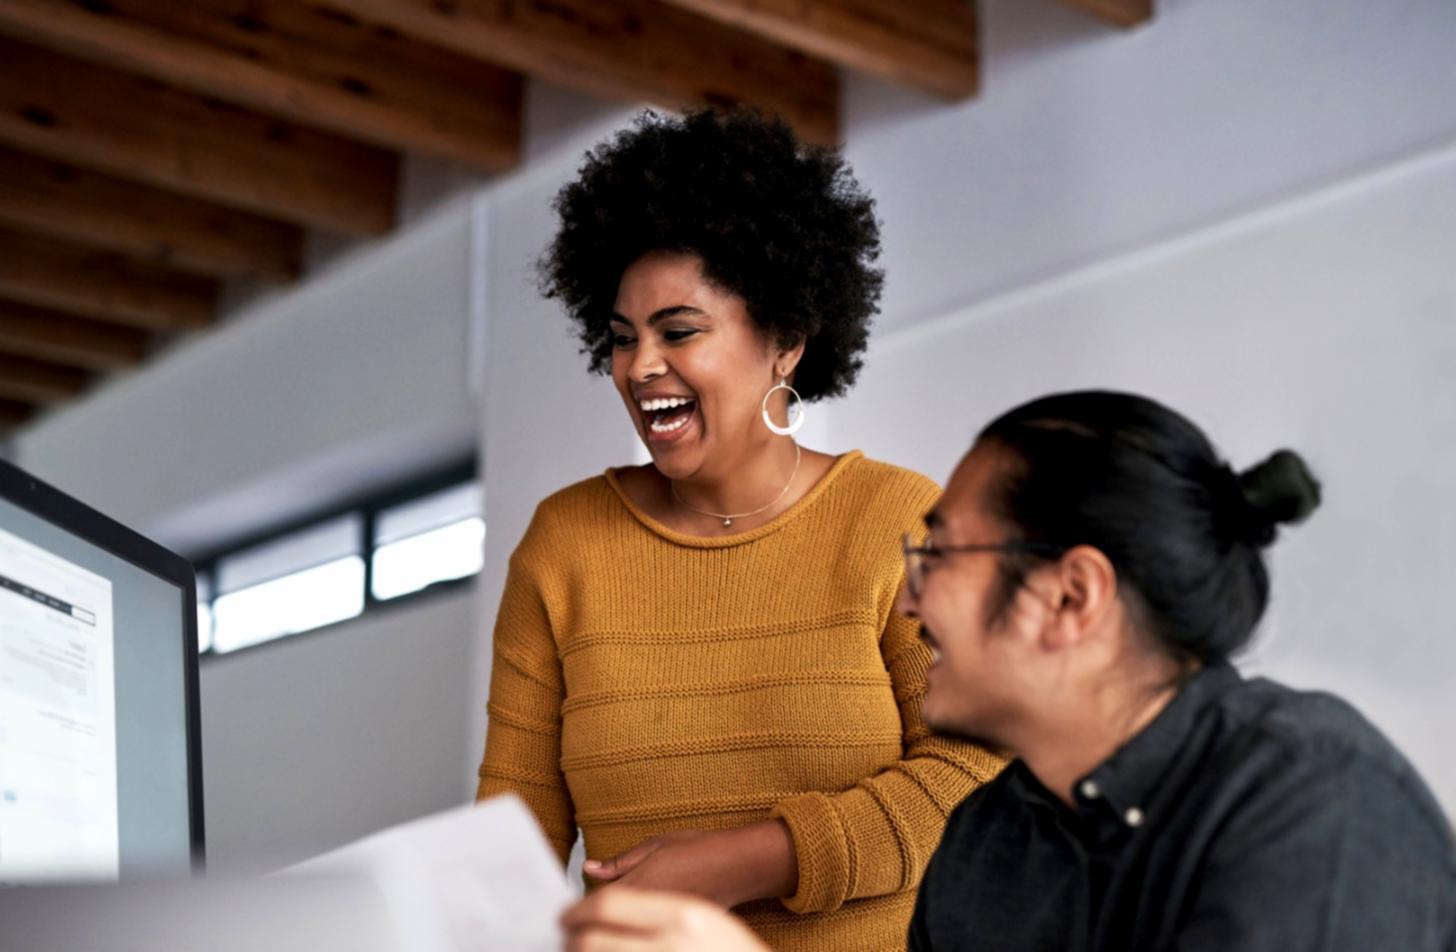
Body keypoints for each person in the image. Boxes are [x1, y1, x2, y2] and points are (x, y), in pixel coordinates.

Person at [560, 390, 1456, 951]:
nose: (909, 605)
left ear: (1069, 597)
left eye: (941, 555)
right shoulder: (989, 840)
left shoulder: (1313, 796)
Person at [475, 109, 1004, 951]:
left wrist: (749, 860)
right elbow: (512, 835)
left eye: (679, 331)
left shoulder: (893, 521)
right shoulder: (564, 546)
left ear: (785, 340)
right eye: (622, 339)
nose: (641, 366)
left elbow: (975, 775)